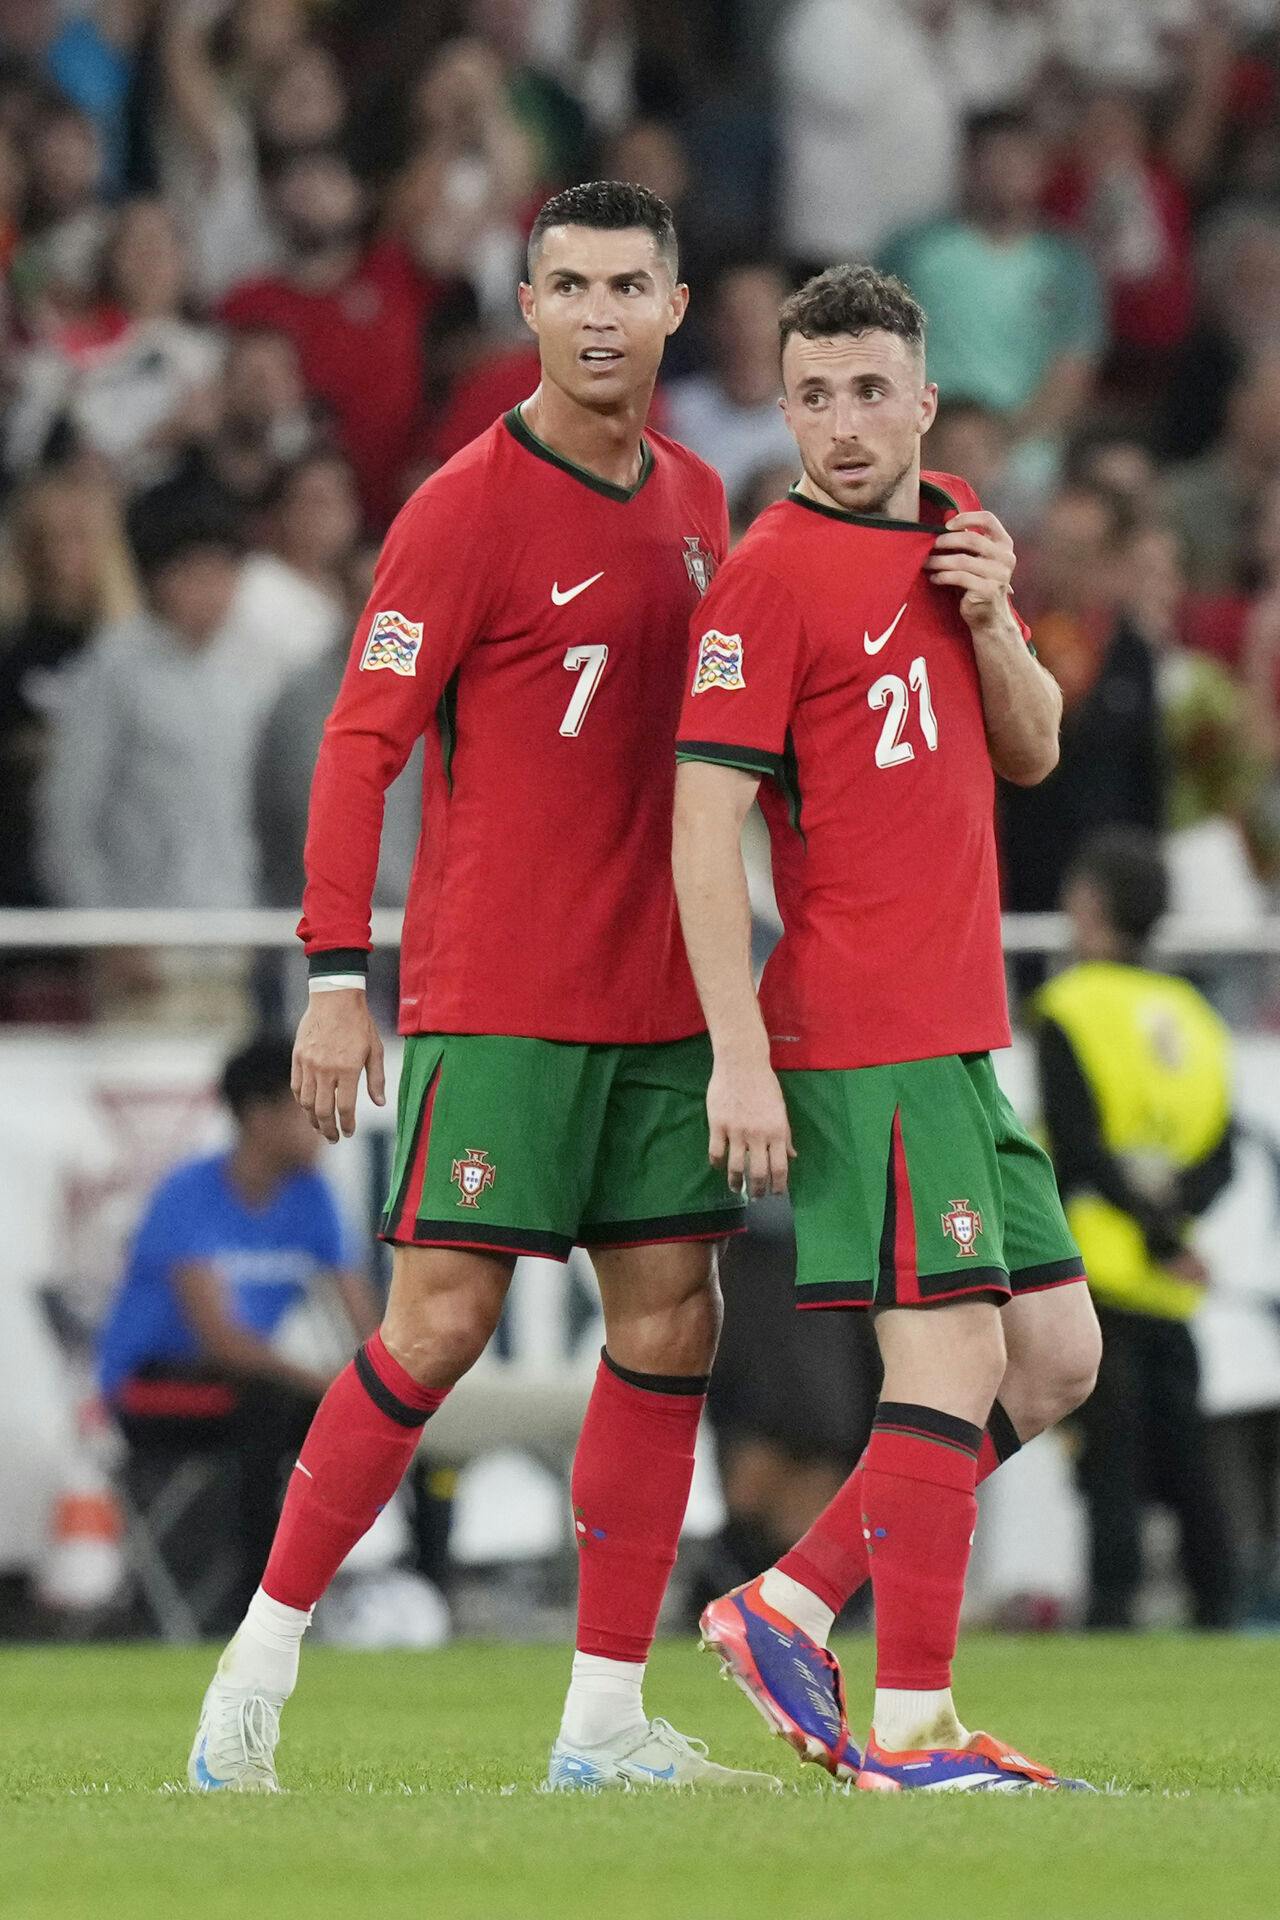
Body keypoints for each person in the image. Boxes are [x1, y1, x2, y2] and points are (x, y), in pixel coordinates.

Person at [188, 180, 771, 1798]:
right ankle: (258, 1663)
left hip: (665, 1002)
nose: (597, 313)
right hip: (500, 995)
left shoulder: (711, 501)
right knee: (440, 1325)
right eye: (567, 283)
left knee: (674, 1325)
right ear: (524, 305)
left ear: (672, 305)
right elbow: (360, 746)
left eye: (627, 285)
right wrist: (331, 974)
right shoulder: (459, 507)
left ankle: (600, 1724)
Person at [672, 263, 1101, 1792]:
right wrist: (738, 1048)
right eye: (814, 395)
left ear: (922, 399)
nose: (845, 424)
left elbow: (1034, 750)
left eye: (871, 392)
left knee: (1053, 1358)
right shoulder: (768, 575)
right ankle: (912, 1726)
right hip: (861, 1021)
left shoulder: (958, 530)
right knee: (950, 1362)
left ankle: (786, 1600)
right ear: (781, 407)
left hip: (960, 1025)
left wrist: (994, 616)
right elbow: (700, 821)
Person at [98, 1036, 378, 1619]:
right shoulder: (188, 1195)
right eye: (310, 1106)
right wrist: (329, 1383)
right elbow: (219, 1342)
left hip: (244, 1386)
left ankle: (427, 1589)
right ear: (259, 1114)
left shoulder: (312, 1197)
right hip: (151, 1389)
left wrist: (387, 1390)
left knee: (384, 1417)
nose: (327, 1125)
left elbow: (363, 1323)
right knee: (273, 1410)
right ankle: (259, 1603)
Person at [1036, 829, 1237, 1630]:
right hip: (1171, 1278)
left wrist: (1143, 1230)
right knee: (1189, 1457)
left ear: (1091, 904)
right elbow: (1223, 1156)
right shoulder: (1196, 1014)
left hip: (1094, 1273)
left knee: (1110, 1463)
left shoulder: (1069, 1008)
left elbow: (1077, 1149)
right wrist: (1173, 1228)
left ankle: (1113, 1611)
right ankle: (1219, 1604)